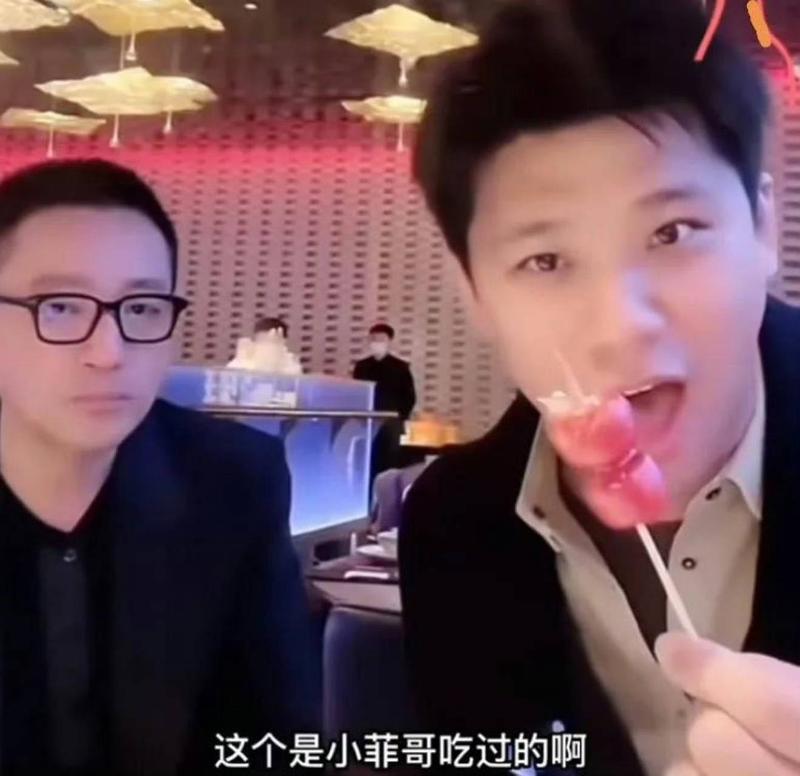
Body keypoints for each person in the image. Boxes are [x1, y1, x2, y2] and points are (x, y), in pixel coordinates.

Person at [399, 1, 800, 775]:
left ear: (761, 227)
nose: (621, 326)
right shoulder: (453, 525)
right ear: (473, 290)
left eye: (673, 232)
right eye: (545, 260)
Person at [0, 159, 320, 775]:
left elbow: (277, 741)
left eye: (143, 308)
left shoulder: (232, 482)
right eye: (60, 307)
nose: (109, 352)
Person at [353, 323, 416, 483]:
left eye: (381, 340)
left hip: (391, 422)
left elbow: (409, 396)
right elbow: (357, 393)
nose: (376, 343)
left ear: (389, 342)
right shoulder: (362, 367)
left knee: (390, 461)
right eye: (373, 339)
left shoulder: (400, 367)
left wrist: (399, 417)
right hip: (367, 421)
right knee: (367, 461)